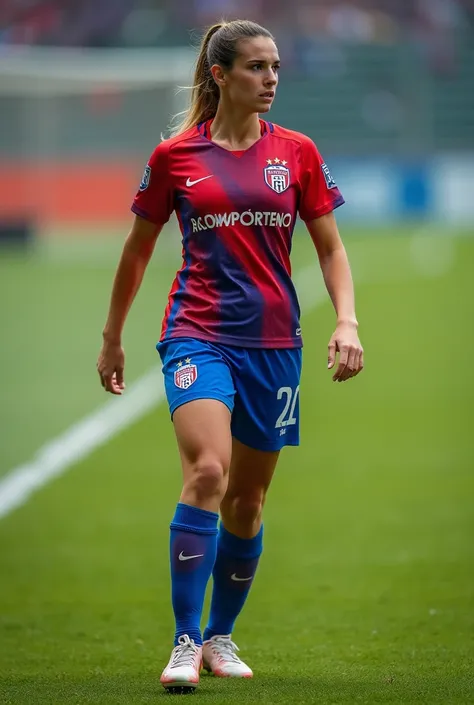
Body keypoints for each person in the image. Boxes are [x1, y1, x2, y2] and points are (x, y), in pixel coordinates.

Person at [97, 18, 364, 694]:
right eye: (256, 67)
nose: (271, 79)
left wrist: (348, 321)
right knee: (210, 471)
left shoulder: (297, 153)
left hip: (275, 344)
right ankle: (185, 640)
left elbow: (330, 247)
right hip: (198, 333)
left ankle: (221, 633)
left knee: (247, 500)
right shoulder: (176, 157)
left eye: (275, 67)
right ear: (220, 76)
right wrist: (112, 335)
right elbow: (137, 250)